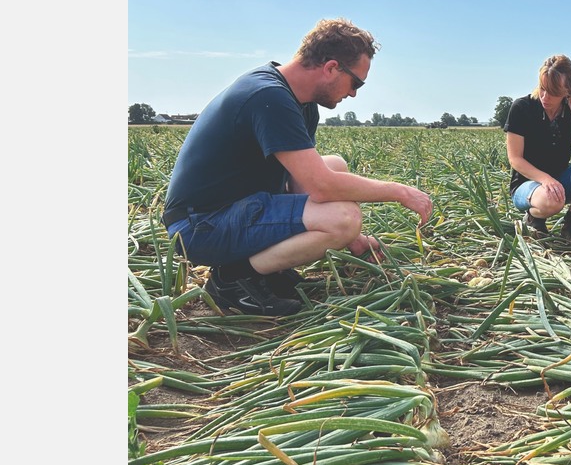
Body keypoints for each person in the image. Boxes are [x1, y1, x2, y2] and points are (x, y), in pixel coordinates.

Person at [162, 18, 433, 316]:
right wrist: (399, 192)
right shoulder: (268, 96)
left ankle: (265, 268)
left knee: (334, 165)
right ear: (331, 67)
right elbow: (320, 187)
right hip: (201, 226)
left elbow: (303, 179)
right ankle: (233, 279)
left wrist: (354, 241)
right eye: (356, 82)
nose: (354, 93)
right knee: (343, 218)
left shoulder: (299, 102)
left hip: (237, 207)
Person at [504, 54, 571, 240]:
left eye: (553, 92)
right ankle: (534, 217)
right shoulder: (522, 107)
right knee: (552, 200)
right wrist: (545, 179)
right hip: (527, 185)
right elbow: (515, 159)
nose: (545, 96)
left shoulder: (570, 111)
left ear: (567, 90)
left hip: (559, 181)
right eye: (543, 88)